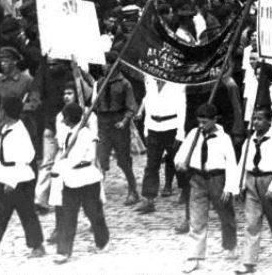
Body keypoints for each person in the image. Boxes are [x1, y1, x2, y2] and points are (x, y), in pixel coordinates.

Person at [0, 97, 45, 266]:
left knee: (27, 213)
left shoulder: (20, 132)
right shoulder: (5, 128)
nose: (0, 113)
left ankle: (37, 245)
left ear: (8, 112)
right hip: (2, 176)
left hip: (20, 180)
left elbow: (27, 157)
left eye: (2, 110)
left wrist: (12, 182)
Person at [175, 103, 239, 273]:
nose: (201, 125)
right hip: (197, 179)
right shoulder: (194, 134)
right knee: (196, 219)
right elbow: (181, 153)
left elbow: (232, 163)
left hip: (218, 179)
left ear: (214, 120)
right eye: (199, 122)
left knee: (226, 214)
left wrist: (229, 187)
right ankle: (194, 257)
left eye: (205, 122)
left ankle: (230, 244)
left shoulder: (224, 138)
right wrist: (180, 162)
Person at [235, 106, 272, 273]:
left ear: (269, 121)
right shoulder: (249, 141)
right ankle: (248, 261)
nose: (256, 122)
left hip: (269, 181)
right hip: (252, 181)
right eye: (254, 119)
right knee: (251, 222)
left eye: (260, 119)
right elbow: (242, 164)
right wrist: (239, 185)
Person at [53, 102, 109, 264]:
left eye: (64, 117)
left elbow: (86, 158)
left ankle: (103, 241)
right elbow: (64, 152)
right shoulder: (69, 133)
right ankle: (63, 251)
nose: (62, 120)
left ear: (70, 118)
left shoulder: (86, 135)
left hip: (87, 178)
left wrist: (62, 164)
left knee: (94, 213)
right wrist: (62, 162)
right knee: (67, 216)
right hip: (70, 180)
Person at [94, 51, 139, 206]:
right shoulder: (100, 83)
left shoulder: (125, 84)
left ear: (115, 65)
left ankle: (133, 191)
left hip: (118, 125)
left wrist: (124, 121)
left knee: (124, 161)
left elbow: (131, 107)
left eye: (107, 63)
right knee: (101, 159)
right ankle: (97, 194)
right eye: (103, 63)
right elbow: (95, 104)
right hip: (103, 125)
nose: (104, 66)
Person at [136, 75, 186, 213]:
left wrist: (180, 133)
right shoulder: (149, 79)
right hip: (153, 127)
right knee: (151, 165)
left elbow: (182, 107)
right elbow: (148, 102)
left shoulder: (177, 82)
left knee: (178, 162)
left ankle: (185, 190)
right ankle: (149, 199)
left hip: (172, 127)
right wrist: (146, 129)